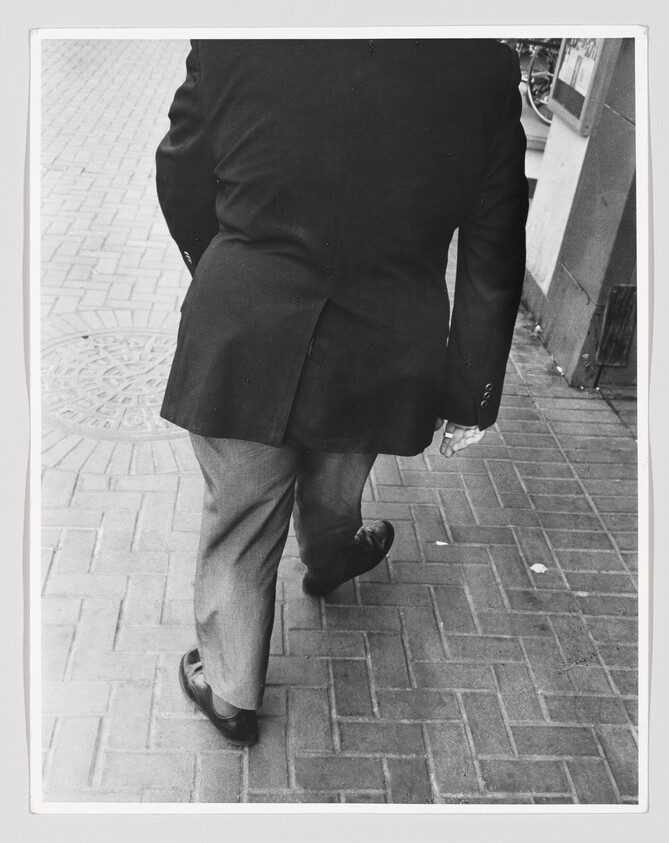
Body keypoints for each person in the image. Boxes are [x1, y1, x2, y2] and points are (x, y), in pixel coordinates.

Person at [156, 38, 528, 747]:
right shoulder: (479, 65)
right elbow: (493, 244)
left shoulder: (241, 36)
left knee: (239, 516)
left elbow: (180, 170)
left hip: (247, 323)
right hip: (385, 336)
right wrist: (470, 388)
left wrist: (230, 265)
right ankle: (330, 556)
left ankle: (231, 689)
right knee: (334, 478)